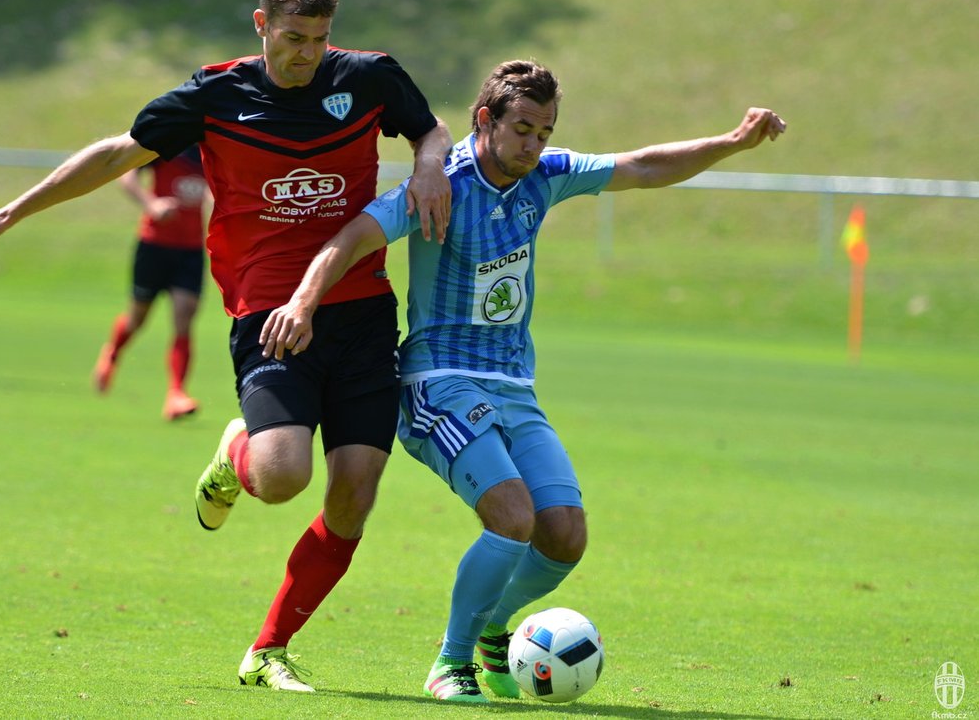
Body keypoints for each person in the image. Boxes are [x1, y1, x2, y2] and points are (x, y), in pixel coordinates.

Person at [0, 0, 451, 694]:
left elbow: (430, 129)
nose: (306, 54)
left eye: (318, 39)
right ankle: (237, 448)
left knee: (354, 492)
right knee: (283, 477)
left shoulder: (370, 77)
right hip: (266, 310)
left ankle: (268, 648)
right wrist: (14, 212)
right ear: (261, 25)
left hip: (362, 306)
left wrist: (432, 166)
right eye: (291, 38)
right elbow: (118, 152)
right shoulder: (217, 93)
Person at [258, 59, 786, 703]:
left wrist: (732, 142)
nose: (534, 145)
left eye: (545, 131)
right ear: (486, 121)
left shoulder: (548, 175)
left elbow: (645, 166)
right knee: (511, 516)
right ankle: (450, 664)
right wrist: (303, 303)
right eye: (523, 130)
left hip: (513, 387)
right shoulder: (440, 186)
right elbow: (353, 237)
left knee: (563, 534)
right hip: (438, 383)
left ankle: (492, 633)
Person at [94, 144, 210, 420]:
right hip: (154, 245)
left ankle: (176, 394)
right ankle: (112, 352)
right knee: (138, 319)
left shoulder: (213, 150)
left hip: (191, 249)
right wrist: (152, 205)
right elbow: (128, 177)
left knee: (184, 317)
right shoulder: (166, 145)